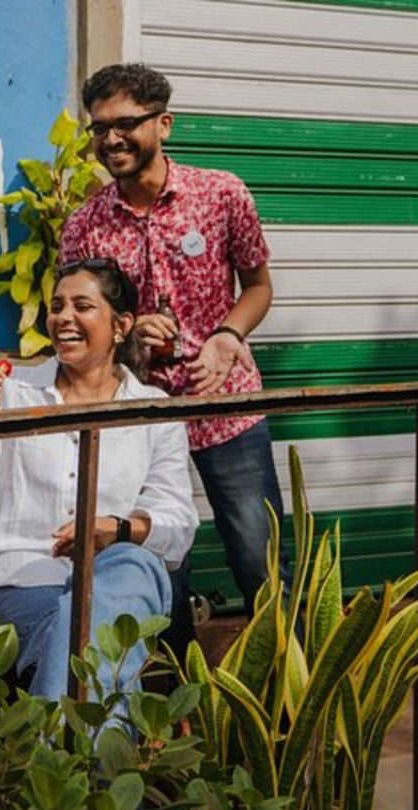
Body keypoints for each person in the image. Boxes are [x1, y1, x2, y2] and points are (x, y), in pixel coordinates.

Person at [59, 63, 284, 649]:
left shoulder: (221, 194)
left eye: (126, 124)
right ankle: (177, 720)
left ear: (164, 123)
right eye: (99, 127)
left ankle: (294, 715)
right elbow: (80, 322)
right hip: (139, 421)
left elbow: (258, 286)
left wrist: (228, 337)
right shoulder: (84, 225)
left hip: (228, 410)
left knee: (263, 567)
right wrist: (128, 339)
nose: (110, 139)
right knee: (157, 570)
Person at [0, 258, 196, 699]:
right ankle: (97, 767)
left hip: (112, 580)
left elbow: (177, 525)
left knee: (131, 568)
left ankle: (62, 763)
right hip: (18, 583)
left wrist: (113, 531)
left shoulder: (154, 410)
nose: (63, 318)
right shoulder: (12, 393)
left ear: (121, 325)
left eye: (82, 305)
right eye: (57, 306)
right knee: (103, 645)